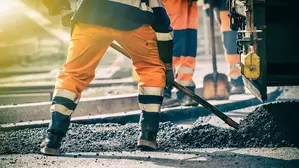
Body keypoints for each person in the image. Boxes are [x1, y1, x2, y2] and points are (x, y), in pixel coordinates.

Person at [41, 0, 174, 155]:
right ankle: (148, 136)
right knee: (151, 69)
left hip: (91, 14)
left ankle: (53, 139)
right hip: (133, 18)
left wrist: (61, 8)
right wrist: (167, 66)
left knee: (73, 73)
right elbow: (162, 25)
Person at [162, 0, 200, 107]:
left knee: (188, 50)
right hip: (171, 5)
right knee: (171, 46)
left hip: (188, 5)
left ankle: (185, 91)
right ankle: (163, 94)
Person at [203, 0, 245, 94]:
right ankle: (237, 80)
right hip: (226, 7)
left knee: (238, 43)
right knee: (231, 45)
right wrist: (208, 5)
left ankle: (241, 80)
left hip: (243, 7)